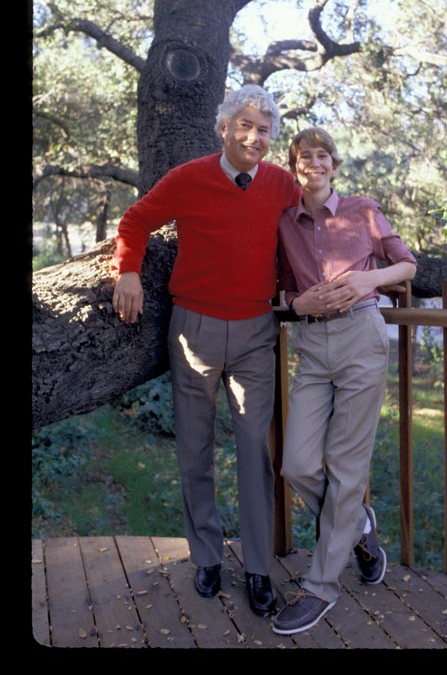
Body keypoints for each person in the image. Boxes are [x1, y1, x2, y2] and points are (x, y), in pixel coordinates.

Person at [112, 85, 300, 617]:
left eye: (263, 130)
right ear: (223, 128)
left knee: (254, 448)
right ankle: (207, 556)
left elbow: (316, 224)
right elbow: (135, 221)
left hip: (256, 330)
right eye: (245, 126)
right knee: (195, 448)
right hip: (194, 327)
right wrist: (127, 271)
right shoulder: (187, 178)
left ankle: (258, 567)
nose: (254, 137)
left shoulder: (282, 184)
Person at [272, 127, 417, 635]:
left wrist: (368, 279)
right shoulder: (284, 222)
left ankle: (320, 587)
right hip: (313, 346)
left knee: (345, 465)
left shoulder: (363, 210)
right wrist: (297, 304)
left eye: (322, 156)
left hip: (361, 337)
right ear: (294, 167)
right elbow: (281, 291)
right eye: (304, 156)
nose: (314, 163)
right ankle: (356, 525)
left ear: (334, 165)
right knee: (297, 464)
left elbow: (407, 263)